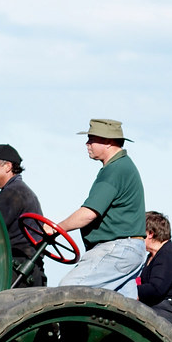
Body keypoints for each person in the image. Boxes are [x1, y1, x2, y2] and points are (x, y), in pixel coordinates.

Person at [55, 119, 147, 297]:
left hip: (117, 249)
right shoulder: (122, 166)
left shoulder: (115, 170)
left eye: (91, 139)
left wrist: (55, 228)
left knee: (67, 291)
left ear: (108, 141)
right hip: (129, 249)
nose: (87, 144)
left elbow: (88, 214)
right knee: (123, 312)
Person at [0, 144, 47, 286]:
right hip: (29, 270)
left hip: (19, 271)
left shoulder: (13, 193)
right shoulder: (20, 191)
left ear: (7, 166)